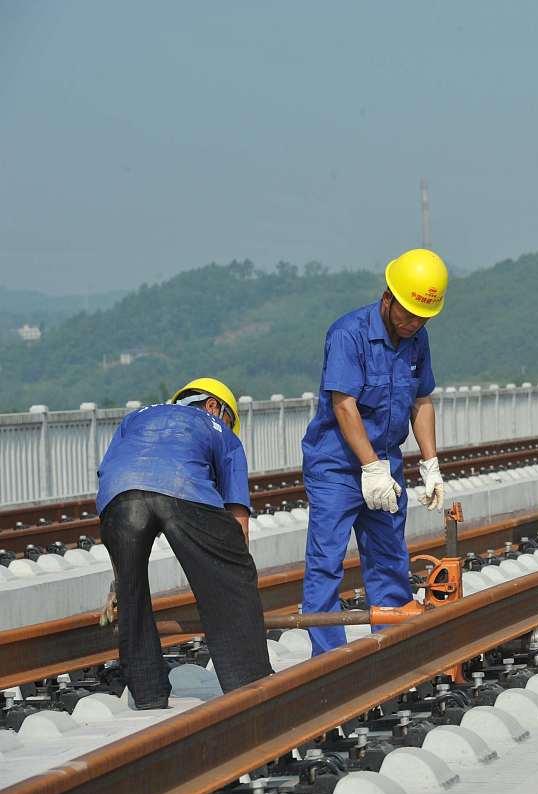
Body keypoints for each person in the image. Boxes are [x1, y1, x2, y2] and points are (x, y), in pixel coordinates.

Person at [301, 248, 448, 656]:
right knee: (326, 563)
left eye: (424, 318)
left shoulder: (417, 338)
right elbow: (343, 405)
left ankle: (392, 650)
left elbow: (421, 401)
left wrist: (431, 463)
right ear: (388, 298)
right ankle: (327, 662)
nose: (415, 324)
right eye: (409, 315)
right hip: (336, 467)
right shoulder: (348, 334)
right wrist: (370, 467)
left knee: (388, 560)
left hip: (386, 463)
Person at [96, 377, 270, 709]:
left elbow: (111, 472)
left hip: (118, 496)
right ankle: (250, 685)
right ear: (213, 406)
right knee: (234, 581)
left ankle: (148, 696)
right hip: (183, 486)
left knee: (132, 598)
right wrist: (231, 568)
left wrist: (119, 582)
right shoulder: (219, 429)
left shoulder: (136, 418)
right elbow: (238, 519)